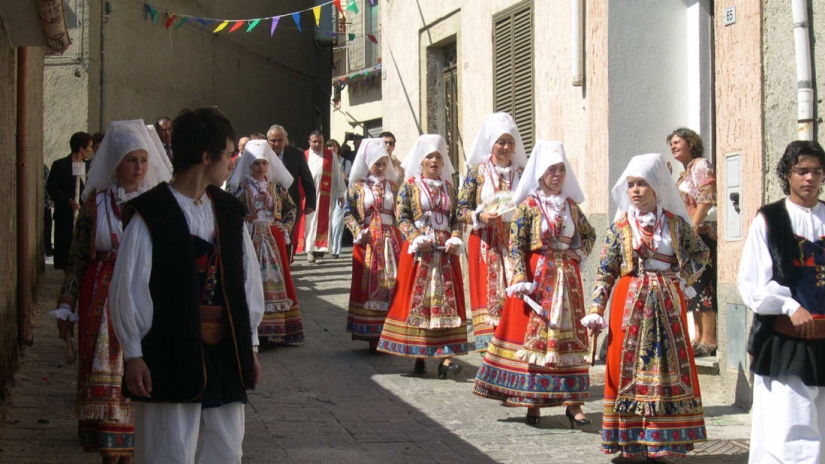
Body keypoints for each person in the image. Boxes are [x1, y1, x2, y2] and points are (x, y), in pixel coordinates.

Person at [108, 107, 264, 463]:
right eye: (228, 153)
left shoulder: (228, 210)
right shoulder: (152, 213)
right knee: (169, 450)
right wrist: (133, 354)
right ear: (206, 156)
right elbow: (130, 288)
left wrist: (249, 344)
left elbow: (246, 283)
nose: (232, 162)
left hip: (223, 355)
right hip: (170, 352)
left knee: (225, 451)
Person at [50, 120, 173, 463]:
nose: (139, 168)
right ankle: (110, 452)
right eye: (131, 160)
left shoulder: (158, 205)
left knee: (141, 376)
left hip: (142, 297)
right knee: (106, 380)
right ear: (116, 162)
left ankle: (132, 451)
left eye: (143, 160)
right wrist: (66, 304)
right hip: (100, 299)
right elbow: (76, 258)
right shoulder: (95, 204)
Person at [583, 153, 709, 461]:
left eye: (642, 184)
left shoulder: (676, 224)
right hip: (629, 301)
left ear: (656, 187)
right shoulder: (620, 227)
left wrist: (683, 276)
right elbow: (606, 270)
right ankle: (630, 439)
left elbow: (701, 253)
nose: (636, 191)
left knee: (668, 369)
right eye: (631, 185)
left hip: (667, 301)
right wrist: (597, 308)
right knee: (627, 369)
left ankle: (663, 439)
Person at [473, 140, 595, 427]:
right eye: (552, 169)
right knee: (535, 339)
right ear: (540, 173)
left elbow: (588, 235)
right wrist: (519, 278)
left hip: (567, 280)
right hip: (537, 278)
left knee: (569, 341)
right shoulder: (528, 206)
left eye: (561, 170)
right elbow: (516, 244)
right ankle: (533, 402)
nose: (557, 175)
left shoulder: (570, 207)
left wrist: (578, 254)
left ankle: (574, 403)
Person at [739, 141, 825, 464]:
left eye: (816, 171)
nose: (810, 178)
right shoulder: (770, 220)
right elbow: (751, 284)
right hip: (787, 341)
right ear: (787, 174)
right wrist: (790, 306)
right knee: (792, 429)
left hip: (824, 339)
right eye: (802, 171)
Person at [377, 134, 468, 378]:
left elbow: (457, 217)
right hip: (420, 250)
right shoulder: (410, 186)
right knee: (420, 302)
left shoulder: (449, 187)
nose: (434, 161)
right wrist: (416, 237)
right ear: (422, 160)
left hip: (444, 251)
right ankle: (419, 352)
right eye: (430, 156)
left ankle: (446, 357)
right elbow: (402, 216)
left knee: (447, 303)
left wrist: (455, 236)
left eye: (438, 156)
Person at [458, 112, 527, 351]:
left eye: (509, 141)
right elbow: (461, 210)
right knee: (489, 295)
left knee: (515, 288)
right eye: (500, 142)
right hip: (485, 241)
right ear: (491, 144)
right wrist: (479, 216)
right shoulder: (476, 174)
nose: (506, 147)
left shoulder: (522, 174)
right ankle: (489, 347)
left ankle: (511, 341)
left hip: (514, 241)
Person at [227, 139, 303, 345]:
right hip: (249, 237)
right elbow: (229, 211)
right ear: (248, 166)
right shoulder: (240, 188)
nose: (260, 167)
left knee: (275, 282)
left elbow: (292, 208)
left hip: (272, 238)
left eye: (264, 163)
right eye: (256, 163)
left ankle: (278, 330)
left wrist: (285, 227)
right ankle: (254, 329)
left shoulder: (277, 188)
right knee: (252, 280)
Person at [344, 138, 401, 352]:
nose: (380, 168)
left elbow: (400, 212)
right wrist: (359, 232)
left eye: (384, 163)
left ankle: (389, 330)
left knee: (392, 283)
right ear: (367, 164)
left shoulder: (393, 187)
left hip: (390, 239)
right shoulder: (358, 187)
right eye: (377, 163)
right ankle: (370, 333)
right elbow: (348, 212)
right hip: (367, 241)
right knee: (369, 284)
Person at [669, 128, 718, 357]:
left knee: (704, 284)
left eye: (677, 142)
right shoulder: (683, 173)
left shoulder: (701, 165)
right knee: (693, 286)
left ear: (691, 143)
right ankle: (697, 337)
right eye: (672, 143)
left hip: (701, 235)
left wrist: (694, 229)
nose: (673, 146)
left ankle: (709, 338)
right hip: (688, 238)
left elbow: (705, 197)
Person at [294, 131, 346, 263]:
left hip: (325, 195)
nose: (317, 144)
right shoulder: (303, 155)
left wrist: (340, 194)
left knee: (322, 221)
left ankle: (319, 253)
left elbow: (337, 175)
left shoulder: (331, 156)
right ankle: (309, 250)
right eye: (314, 141)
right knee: (309, 222)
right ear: (309, 142)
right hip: (307, 194)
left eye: (320, 142)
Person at [266, 125, 316, 258]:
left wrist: (311, 203)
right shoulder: (263, 154)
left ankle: (286, 268)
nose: (276, 144)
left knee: (286, 236)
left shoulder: (296, 154)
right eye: (273, 140)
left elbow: (307, 179)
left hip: (290, 205)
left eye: (280, 140)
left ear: (285, 140)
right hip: (267, 205)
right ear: (268, 140)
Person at [48, 131, 94, 269]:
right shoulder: (60, 165)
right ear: (81, 148)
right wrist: (67, 201)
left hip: (84, 216)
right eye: (89, 147)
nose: (91, 150)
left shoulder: (90, 167)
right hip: (65, 216)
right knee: (66, 250)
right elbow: (52, 187)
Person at [329, 138, 352, 259]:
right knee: (329, 222)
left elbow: (352, 178)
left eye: (333, 146)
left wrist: (346, 177)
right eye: (329, 146)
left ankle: (335, 250)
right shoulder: (324, 162)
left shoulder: (345, 162)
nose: (331, 148)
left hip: (342, 193)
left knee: (337, 222)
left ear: (338, 148)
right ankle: (327, 246)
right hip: (327, 194)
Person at [44, 164, 54, 257]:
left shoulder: (44, 168)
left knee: (47, 228)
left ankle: (47, 248)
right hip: (44, 204)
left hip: (46, 204)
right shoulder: (43, 168)